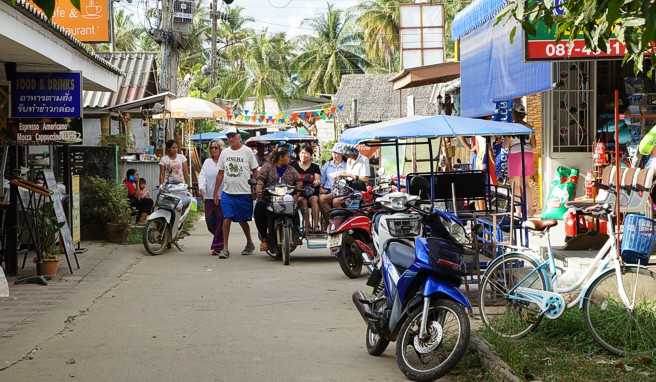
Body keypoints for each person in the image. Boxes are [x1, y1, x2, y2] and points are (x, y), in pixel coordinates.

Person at [213, 128, 258, 259]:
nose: (230, 138)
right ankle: (225, 249)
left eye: (233, 136)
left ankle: (249, 243)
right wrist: (216, 192)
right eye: (228, 136)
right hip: (227, 192)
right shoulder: (224, 153)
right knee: (226, 219)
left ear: (239, 137)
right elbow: (220, 173)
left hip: (244, 192)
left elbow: (255, 170)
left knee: (243, 220)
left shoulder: (247, 151)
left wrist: (255, 187)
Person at [253, 148, 301, 252]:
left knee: (295, 210)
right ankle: (265, 239)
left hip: (286, 198)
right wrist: (259, 189)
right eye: (287, 156)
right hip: (269, 197)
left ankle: (296, 235)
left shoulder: (291, 169)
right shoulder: (267, 167)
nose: (289, 158)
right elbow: (260, 179)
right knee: (259, 208)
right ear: (280, 158)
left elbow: (298, 181)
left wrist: (297, 193)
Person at [199, 139, 225, 256]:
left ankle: (218, 246)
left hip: (222, 196)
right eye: (211, 148)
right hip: (209, 196)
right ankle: (221, 240)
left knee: (220, 220)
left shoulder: (224, 161)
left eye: (216, 147)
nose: (213, 150)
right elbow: (202, 175)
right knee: (210, 222)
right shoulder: (207, 162)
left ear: (220, 149)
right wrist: (201, 187)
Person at [292, 144, 321, 233]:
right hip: (299, 192)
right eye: (301, 153)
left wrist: (316, 182)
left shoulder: (315, 167)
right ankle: (307, 225)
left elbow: (317, 179)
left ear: (310, 155)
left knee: (314, 199)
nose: (303, 155)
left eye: (306, 153)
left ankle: (316, 225)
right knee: (302, 200)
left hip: (311, 191)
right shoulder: (293, 166)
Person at [319, 144, 347, 225]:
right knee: (321, 198)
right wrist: (321, 187)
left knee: (333, 201)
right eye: (334, 153)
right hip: (328, 190)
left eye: (337, 153)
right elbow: (322, 180)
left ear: (342, 154)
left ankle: (339, 221)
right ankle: (331, 221)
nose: (335, 155)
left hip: (342, 191)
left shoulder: (346, 165)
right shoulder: (327, 165)